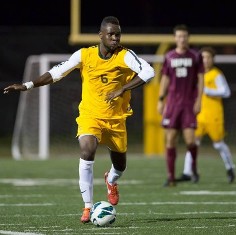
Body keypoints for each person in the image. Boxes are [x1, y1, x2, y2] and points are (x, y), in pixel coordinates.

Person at [3, 16, 155, 223]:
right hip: (90, 115)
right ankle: (87, 207)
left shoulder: (125, 56)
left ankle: (111, 180)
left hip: (116, 119)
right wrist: (27, 85)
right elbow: (57, 72)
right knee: (87, 149)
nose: (115, 38)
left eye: (117, 34)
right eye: (110, 34)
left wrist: (122, 88)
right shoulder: (84, 55)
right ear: (100, 35)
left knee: (120, 166)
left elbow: (149, 71)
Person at [177, 46, 236, 183]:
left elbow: (226, 92)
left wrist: (208, 90)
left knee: (218, 144)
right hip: (198, 115)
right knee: (192, 142)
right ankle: (188, 172)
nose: (205, 60)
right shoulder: (196, 74)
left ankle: (230, 167)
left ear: (213, 59)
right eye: (203, 57)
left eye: (208, 57)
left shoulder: (216, 74)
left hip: (214, 115)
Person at [157, 24, 204, 187]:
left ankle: (194, 169)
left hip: (189, 103)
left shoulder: (195, 56)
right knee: (170, 140)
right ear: (175, 38)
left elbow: (201, 79)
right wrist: (160, 99)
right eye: (179, 36)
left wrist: (199, 100)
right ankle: (170, 177)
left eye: (184, 36)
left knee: (190, 140)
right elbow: (165, 78)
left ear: (188, 38)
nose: (182, 39)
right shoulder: (169, 56)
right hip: (172, 104)